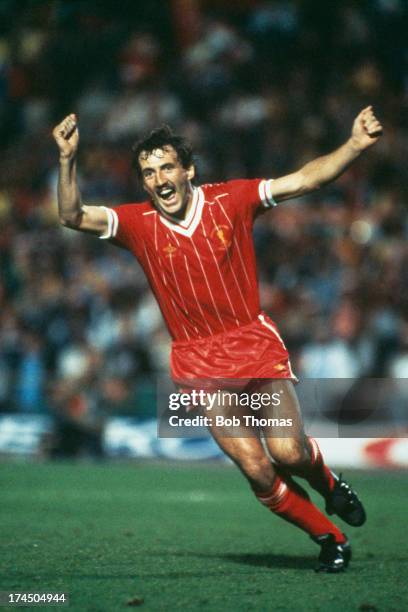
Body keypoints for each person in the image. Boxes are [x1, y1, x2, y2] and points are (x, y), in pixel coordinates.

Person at [53, 106, 383, 572]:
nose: (159, 178)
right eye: (148, 172)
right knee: (257, 469)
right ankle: (330, 538)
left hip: (252, 344)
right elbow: (70, 215)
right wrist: (67, 159)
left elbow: (304, 180)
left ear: (189, 170)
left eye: (167, 166)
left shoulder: (232, 199)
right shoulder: (136, 224)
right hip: (199, 365)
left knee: (289, 452)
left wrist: (353, 145)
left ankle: (329, 486)